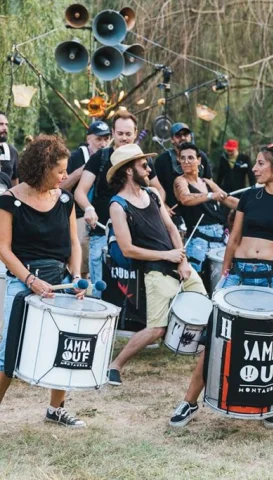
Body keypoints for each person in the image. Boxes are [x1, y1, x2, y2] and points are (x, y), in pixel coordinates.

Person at [170, 140, 273, 429]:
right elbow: (234, 238)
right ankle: (189, 401)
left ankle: (270, 404)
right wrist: (225, 273)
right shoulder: (249, 199)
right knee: (214, 338)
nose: (255, 168)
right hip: (240, 275)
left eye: (261, 163)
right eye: (256, 162)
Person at [0, 135, 87, 427]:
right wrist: (29, 280)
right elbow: (2, 248)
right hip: (23, 281)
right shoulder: (9, 200)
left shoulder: (65, 199)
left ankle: (56, 409)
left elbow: (74, 243)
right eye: (60, 170)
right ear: (41, 168)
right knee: (7, 356)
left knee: (64, 349)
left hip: (60, 279)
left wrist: (75, 277)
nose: (65, 176)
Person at [105, 144, 206, 386]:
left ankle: (212, 364)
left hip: (178, 263)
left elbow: (171, 228)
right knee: (157, 329)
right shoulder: (118, 205)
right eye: (142, 165)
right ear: (129, 171)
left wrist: (181, 259)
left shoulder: (152, 194)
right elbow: (128, 248)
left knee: (205, 312)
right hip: (154, 272)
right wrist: (167, 257)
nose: (148, 168)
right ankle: (114, 366)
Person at [75, 112, 166, 296]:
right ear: (113, 133)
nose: (124, 138)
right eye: (120, 133)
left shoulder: (144, 160)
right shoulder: (100, 157)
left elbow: (159, 190)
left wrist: (156, 212)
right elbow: (80, 191)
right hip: (103, 234)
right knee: (101, 292)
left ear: (135, 133)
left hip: (138, 238)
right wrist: (89, 208)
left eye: (128, 133)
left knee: (136, 294)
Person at [173, 142, 238, 276]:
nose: (186, 161)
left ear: (199, 160)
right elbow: (185, 198)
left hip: (220, 237)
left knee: (223, 278)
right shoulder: (180, 181)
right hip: (199, 239)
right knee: (200, 280)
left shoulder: (207, 182)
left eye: (190, 158)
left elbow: (227, 199)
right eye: (182, 158)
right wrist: (210, 195)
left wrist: (252, 206)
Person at [62, 121, 112, 279]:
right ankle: (79, 283)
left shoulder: (110, 156)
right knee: (81, 245)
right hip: (77, 213)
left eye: (106, 139)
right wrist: (82, 171)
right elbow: (60, 187)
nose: (103, 143)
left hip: (104, 216)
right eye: (99, 139)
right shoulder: (75, 157)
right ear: (88, 138)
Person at [153, 122, 214, 224]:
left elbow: (210, 183)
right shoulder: (162, 160)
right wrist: (163, 206)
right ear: (172, 139)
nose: (182, 137)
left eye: (185, 134)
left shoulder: (201, 157)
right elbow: (155, 188)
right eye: (178, 135)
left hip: (200, 214)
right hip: (175, 215)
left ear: (190, 137)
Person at [0, 111, 19, 186]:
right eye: (1, 124)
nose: (5, 128)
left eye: (6, 124)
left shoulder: (12, 151)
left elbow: (14, 181)